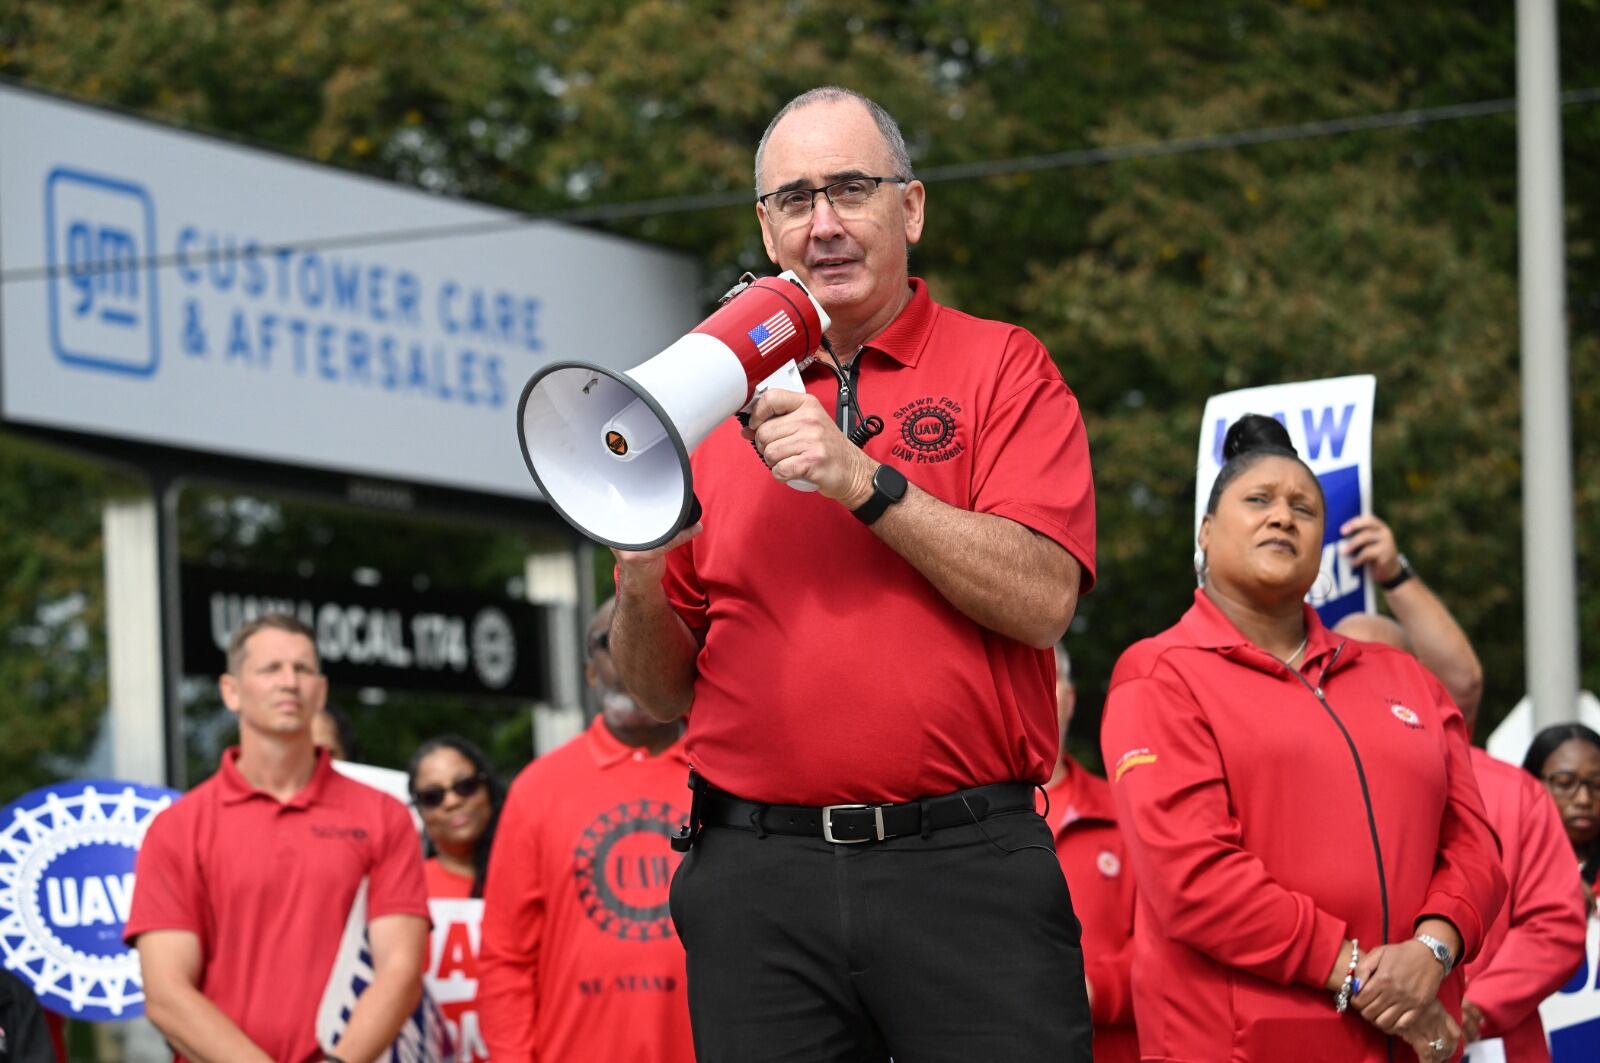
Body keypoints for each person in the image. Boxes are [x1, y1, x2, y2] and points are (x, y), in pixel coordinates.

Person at [611, 85, 1097, 1062]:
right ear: (766, 227)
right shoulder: (703, 400)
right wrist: (639, 565)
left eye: (850, 189)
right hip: (757, 880)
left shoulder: (1003, 365)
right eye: (794, 199)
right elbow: (657, 693)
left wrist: (861, 479)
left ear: (910, 208)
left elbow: (1043, 599)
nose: (823, 223)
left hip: (964, 868)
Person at [1100, 415, 1504, 1063]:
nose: (1282, 517)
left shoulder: (1403, 676)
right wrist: (1362, 975)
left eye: (1304, 508)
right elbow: (1194, 878)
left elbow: (1474, 843)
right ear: (1206, 532)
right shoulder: (1159, 675)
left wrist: (1433, 948)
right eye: (1258, 500)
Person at [125, 614, 429, 1063]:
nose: (289, 682)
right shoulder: (178, 827)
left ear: (320, 692)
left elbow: (401, 971)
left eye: (302, 669)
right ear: (231, 691)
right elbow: (166, 993)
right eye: (271, 669)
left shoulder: (384, 815)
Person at [1334, 559, 1586, 1060]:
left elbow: (1555, 925)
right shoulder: (1297, 781)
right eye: (1345, 669)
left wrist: (1471, 1006)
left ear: (1414, 679)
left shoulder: (1512, 791)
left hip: (1492, 1041)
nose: (1360, 685)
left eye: (1377, 667)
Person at [476, 598, 695, 1063]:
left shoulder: (725, 777)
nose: (628, 654)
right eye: (609, 642)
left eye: (650, 633)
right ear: (590, 673)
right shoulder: (536, 788)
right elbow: (505, 958)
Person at [1042, 645, 1137, 1063]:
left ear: (1070, 698)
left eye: (1046, 677)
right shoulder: (962, 822)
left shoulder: (1123, 811)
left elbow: (1171, 942)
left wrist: (1093, 990)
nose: (1033, 692)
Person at [1333, 513, 1484, 721]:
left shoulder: (1432, 728)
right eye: (1345, 668)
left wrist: (1394, 575)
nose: (1365, 684)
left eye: (1384, 669)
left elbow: (1463, 683)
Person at [408, 735, 502, 899]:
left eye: (465, 786)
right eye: (432, 797)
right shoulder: (409, 890)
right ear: (419, 810)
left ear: (489, 788)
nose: (452, 802)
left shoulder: (530, 869)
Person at [1523, 723, 1600, 913]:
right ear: (1531, 782)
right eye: (1565, 783)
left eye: (1597, 785)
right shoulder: (1509, 870)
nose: (1583, 799)